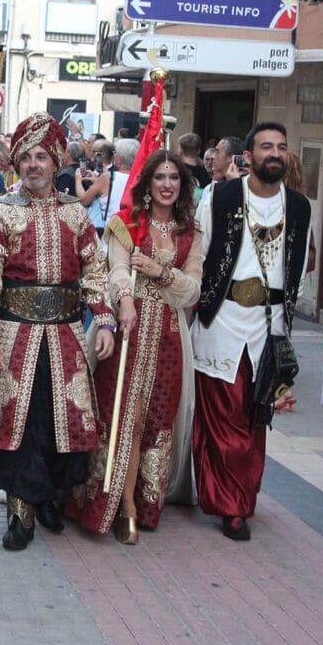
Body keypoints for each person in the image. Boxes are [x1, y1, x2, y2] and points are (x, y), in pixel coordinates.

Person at [0, 113, 115, 551]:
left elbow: (95, 270)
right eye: (26, 157)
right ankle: (20, 512)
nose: (33, 164)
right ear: (17, 163)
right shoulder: (3, 213)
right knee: (20, 425)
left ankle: (50, 498)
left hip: (65, 336)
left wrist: (104, 318)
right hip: (14, 336)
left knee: (61, 422)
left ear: (56, 161)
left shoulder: (75, 213)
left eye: (41, 157)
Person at [70, 150, 203, 543]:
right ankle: (119, 503)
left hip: (168, 337)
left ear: (183, 185)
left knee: (154, 420)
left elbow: (192, 289)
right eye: (160, 177)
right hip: (125, 331)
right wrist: (125, 300)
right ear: (147, 183)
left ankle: (140, 503)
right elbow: (115, 269)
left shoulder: (190, 232)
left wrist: (161, 272)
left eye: (174, 178)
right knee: (123, 415)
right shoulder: (126, 223)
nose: (167, 184)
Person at [192, 122, 312, 541]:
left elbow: (300, 265)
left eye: (281, 146)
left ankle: (243, 495)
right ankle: (230, 506)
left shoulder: (299, 207)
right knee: (223, 417)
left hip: (269, 326)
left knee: (255, 417)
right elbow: (199, 255)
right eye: (266, 146)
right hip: (222, 319)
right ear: (249, 156)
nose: (274, 153)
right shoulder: (221, 196)